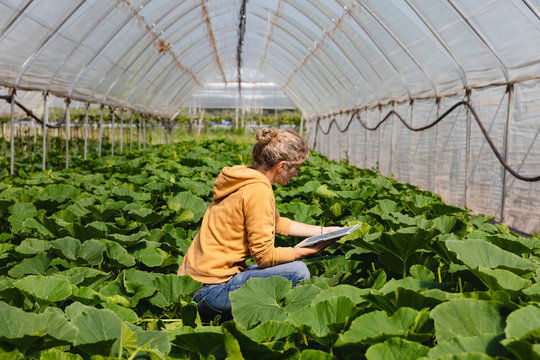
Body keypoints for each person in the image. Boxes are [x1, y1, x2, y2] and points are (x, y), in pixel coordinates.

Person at [178, 127, 341, 322]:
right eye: (296, 168)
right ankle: (291, 330)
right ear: (281, 166)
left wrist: (323, 231)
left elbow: (276, 223)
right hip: (210, 292)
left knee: (286, 268)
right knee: (298, 271)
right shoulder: (258, 191)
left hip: (191, 286)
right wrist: (310, 251)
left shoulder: (244, 177)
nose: (296, 174)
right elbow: (264, 257)